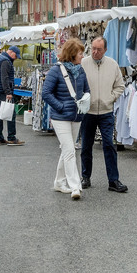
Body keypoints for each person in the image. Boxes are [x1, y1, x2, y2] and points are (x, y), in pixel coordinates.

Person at [41, 39, 90, 200]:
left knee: (66, 150)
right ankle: (75, 186)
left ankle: (59, 182)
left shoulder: (80, 70)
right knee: (70, 150)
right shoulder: (56, 71)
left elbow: (86, 90)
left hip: (77, 115)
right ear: (72, 54)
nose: (83, 56)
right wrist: (60, 106)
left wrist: (85, 99)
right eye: (80, 53)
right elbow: (46, 93)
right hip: (60, 117)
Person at [80, 37, 128, 193]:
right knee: (86, 146)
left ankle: (113, 180)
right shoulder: (83, 64)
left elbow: (120, 86)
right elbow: (76, 84)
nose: (95, 52)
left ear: (105, 50)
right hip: (88, 111)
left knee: (109, 145)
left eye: (98, 49)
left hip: (106, 111)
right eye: (93, 48)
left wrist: (111, 97)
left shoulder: (113, 65)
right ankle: (85, 177)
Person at [0, 45, 24, 146]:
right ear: (11, 52)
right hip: (2, 91)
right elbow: (4, 77)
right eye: (16, 55)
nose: (16, 58)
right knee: (11, 113)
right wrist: (8, 92)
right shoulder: (5, 61)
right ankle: (11, 137)